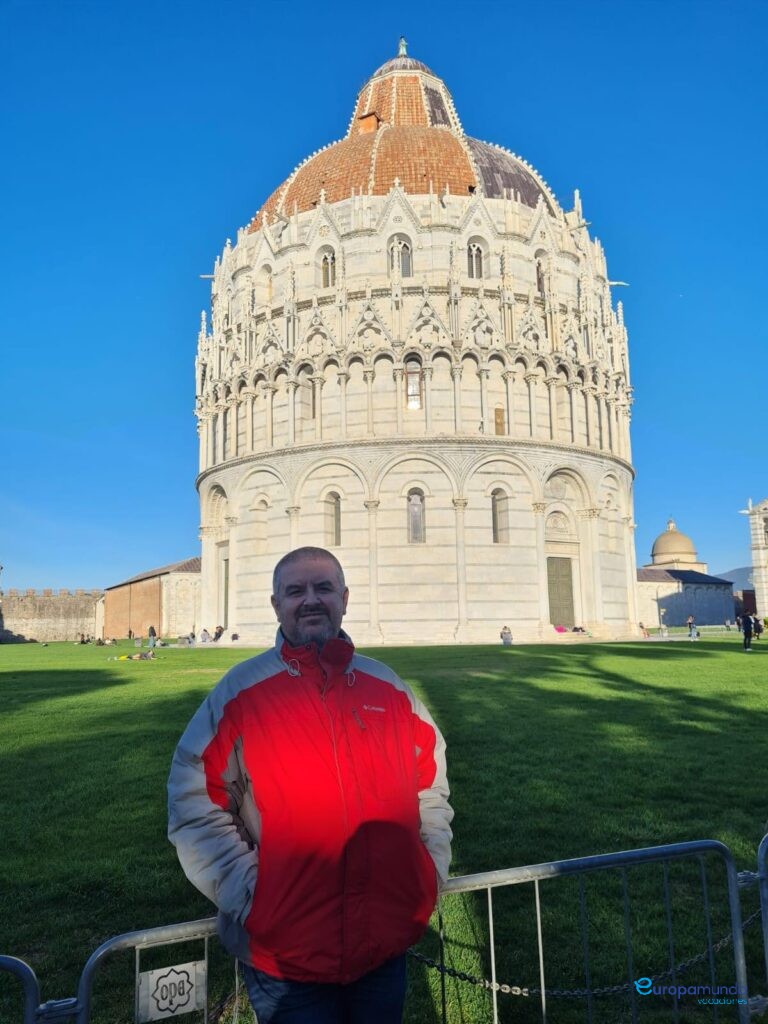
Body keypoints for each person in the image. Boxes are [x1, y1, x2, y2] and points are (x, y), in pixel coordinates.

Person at [168, 547, 453, 1024]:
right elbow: (193, 800)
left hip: (383, 946)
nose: (311, 600)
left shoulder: (389, 688)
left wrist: (427, 872)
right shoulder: (240, 692)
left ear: (345, 598)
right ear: (276, 604)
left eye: (323, 588)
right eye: (295, 591)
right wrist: (254, 897)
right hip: (286, 957)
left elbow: (431, 787)